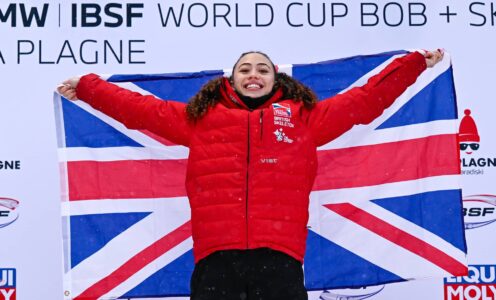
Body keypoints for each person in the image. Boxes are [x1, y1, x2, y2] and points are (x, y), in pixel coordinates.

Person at [58, 49, 444, 300]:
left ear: (276, 79)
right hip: (215, 261)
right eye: (245, 69)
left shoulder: (303, 119)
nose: (253, 74)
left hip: (279, 259)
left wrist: (411, 65)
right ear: (232, 79)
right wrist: (90, 88)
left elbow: (362, 102)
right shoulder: (200, 119)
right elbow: (141, 110)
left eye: (262, 69)